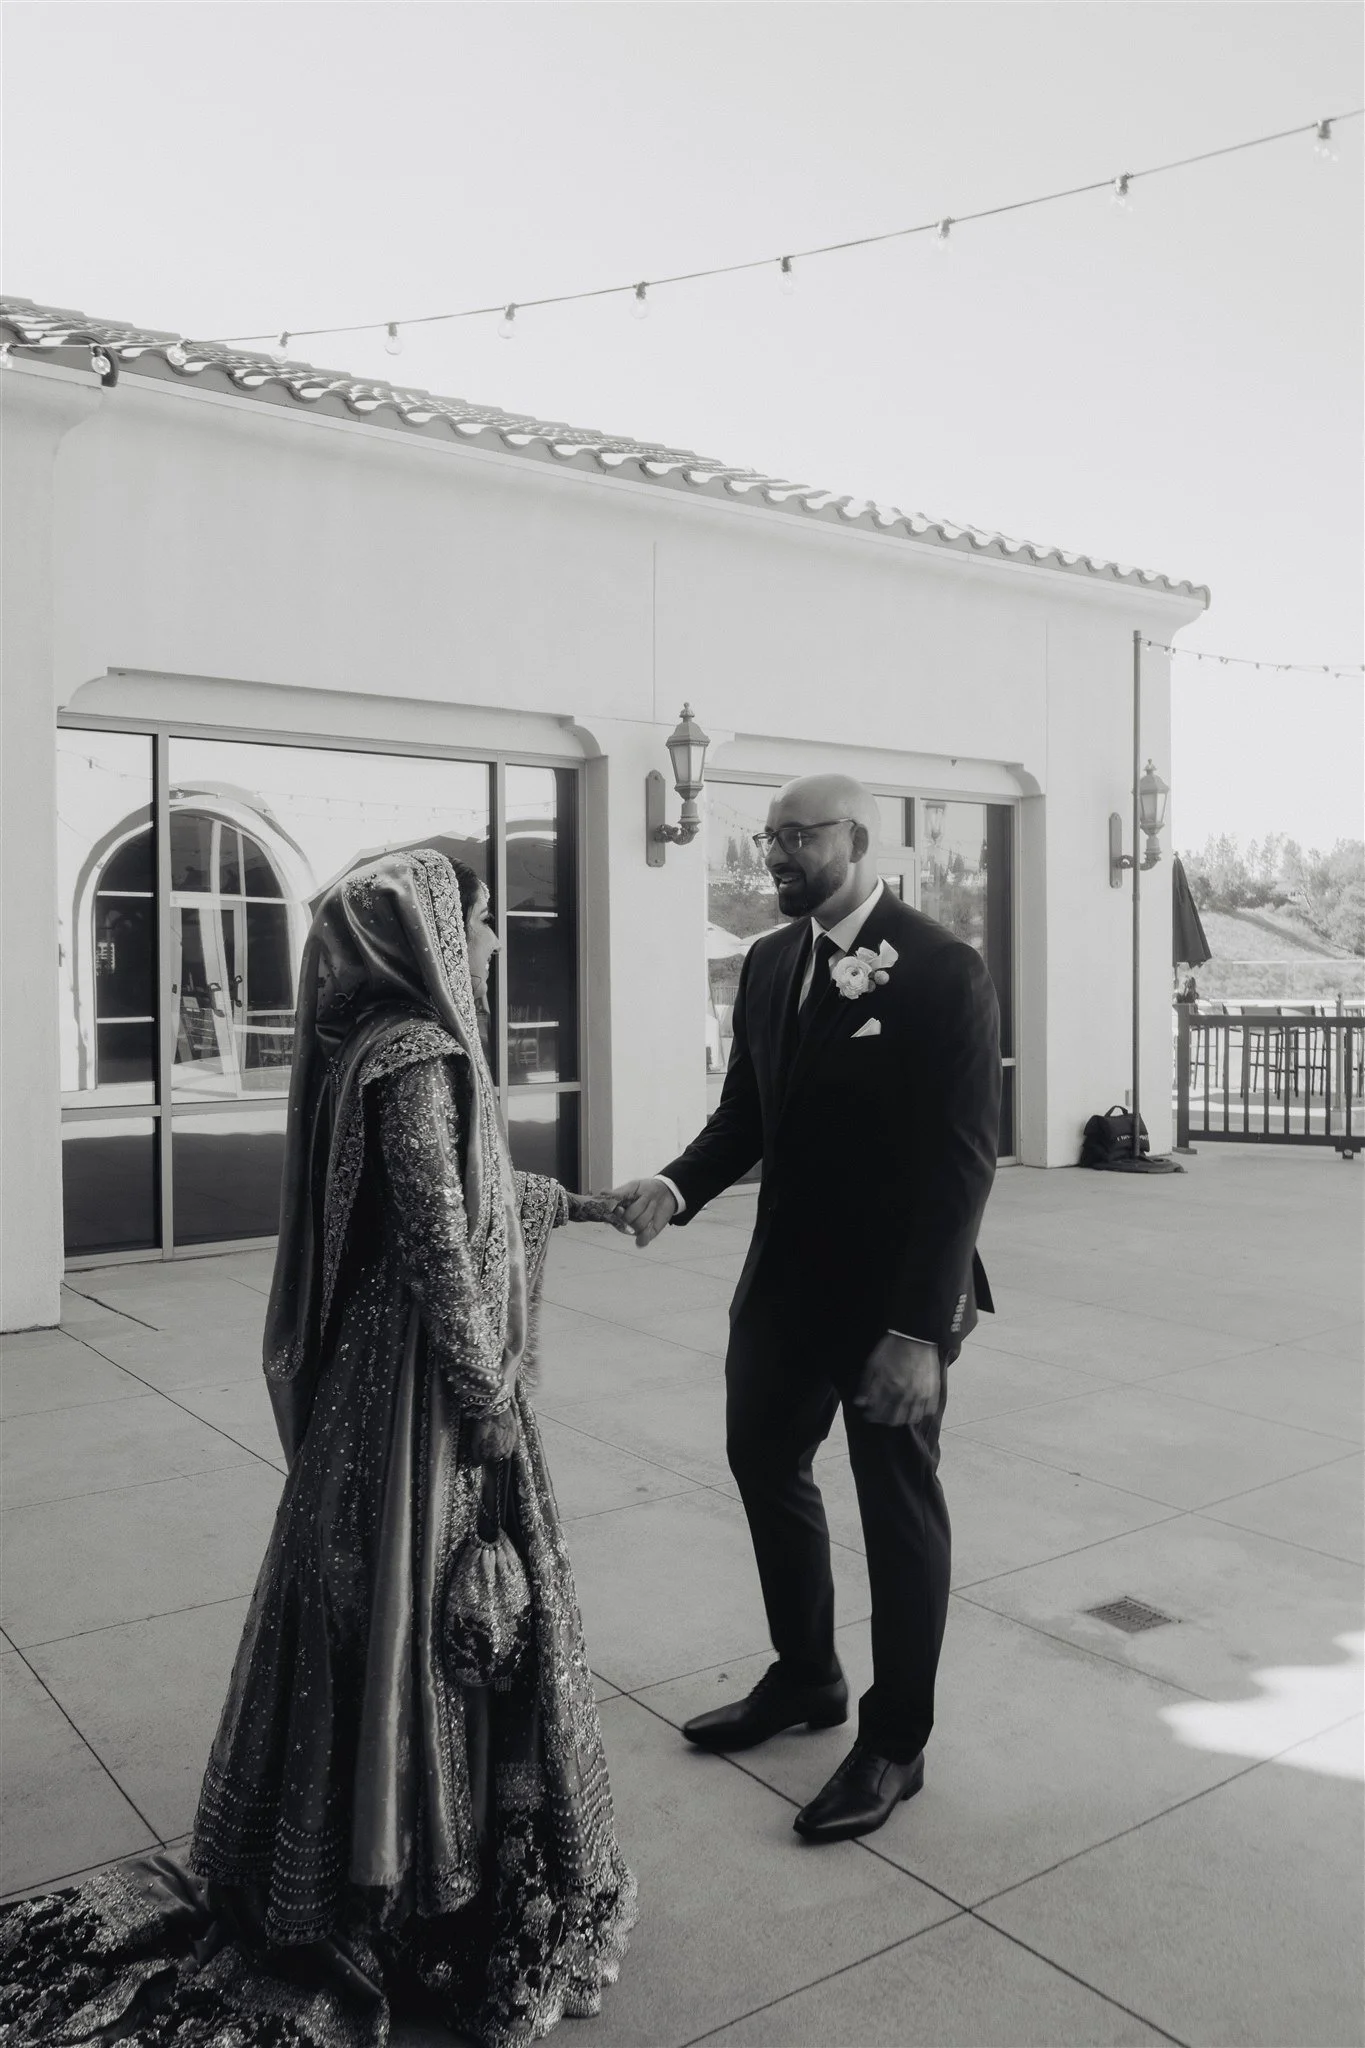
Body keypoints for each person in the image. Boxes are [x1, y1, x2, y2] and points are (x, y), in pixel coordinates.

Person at [0, 848, 635, 2047]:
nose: (495, 949)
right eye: (487, 925)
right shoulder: (425, 1058)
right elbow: (446, 1243)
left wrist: (595, 1203)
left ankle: (333, 1864)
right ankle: (415, 1898)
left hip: (366, 1394)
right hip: (423, 1406)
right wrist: (488, 1398)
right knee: (433, 1627)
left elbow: (474, 1191)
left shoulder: (364, 1047)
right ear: (436, 930)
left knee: (355, 1613)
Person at [611, 775, 999, 1844]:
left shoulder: (940, 967)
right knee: (763, 1462)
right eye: (767, 838)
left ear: (856, 839)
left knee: (897, 1511)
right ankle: (808, 1673)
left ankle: (895, 1740)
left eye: (797, 838)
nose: (774, 856)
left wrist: (920, 1331)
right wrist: (676, 1185)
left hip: (891, 1306)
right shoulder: (771, 961)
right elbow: (747, 1114)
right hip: (781, 1286)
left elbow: (963, 1164)